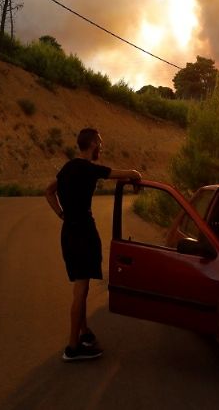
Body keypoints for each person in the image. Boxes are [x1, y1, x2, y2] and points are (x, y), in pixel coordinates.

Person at [45, 128, 141, 361]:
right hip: (82, 233)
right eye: (100, 142)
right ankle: (72, 347)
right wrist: (136, 175)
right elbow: (123, 173)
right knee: (80, 290)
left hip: (69, 231)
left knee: (82, 286)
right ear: (92, 144)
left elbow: (49, 191)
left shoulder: (67, 168)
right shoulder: (89, 169)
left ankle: (84, 331)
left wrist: (61, 214)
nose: (102, 146)